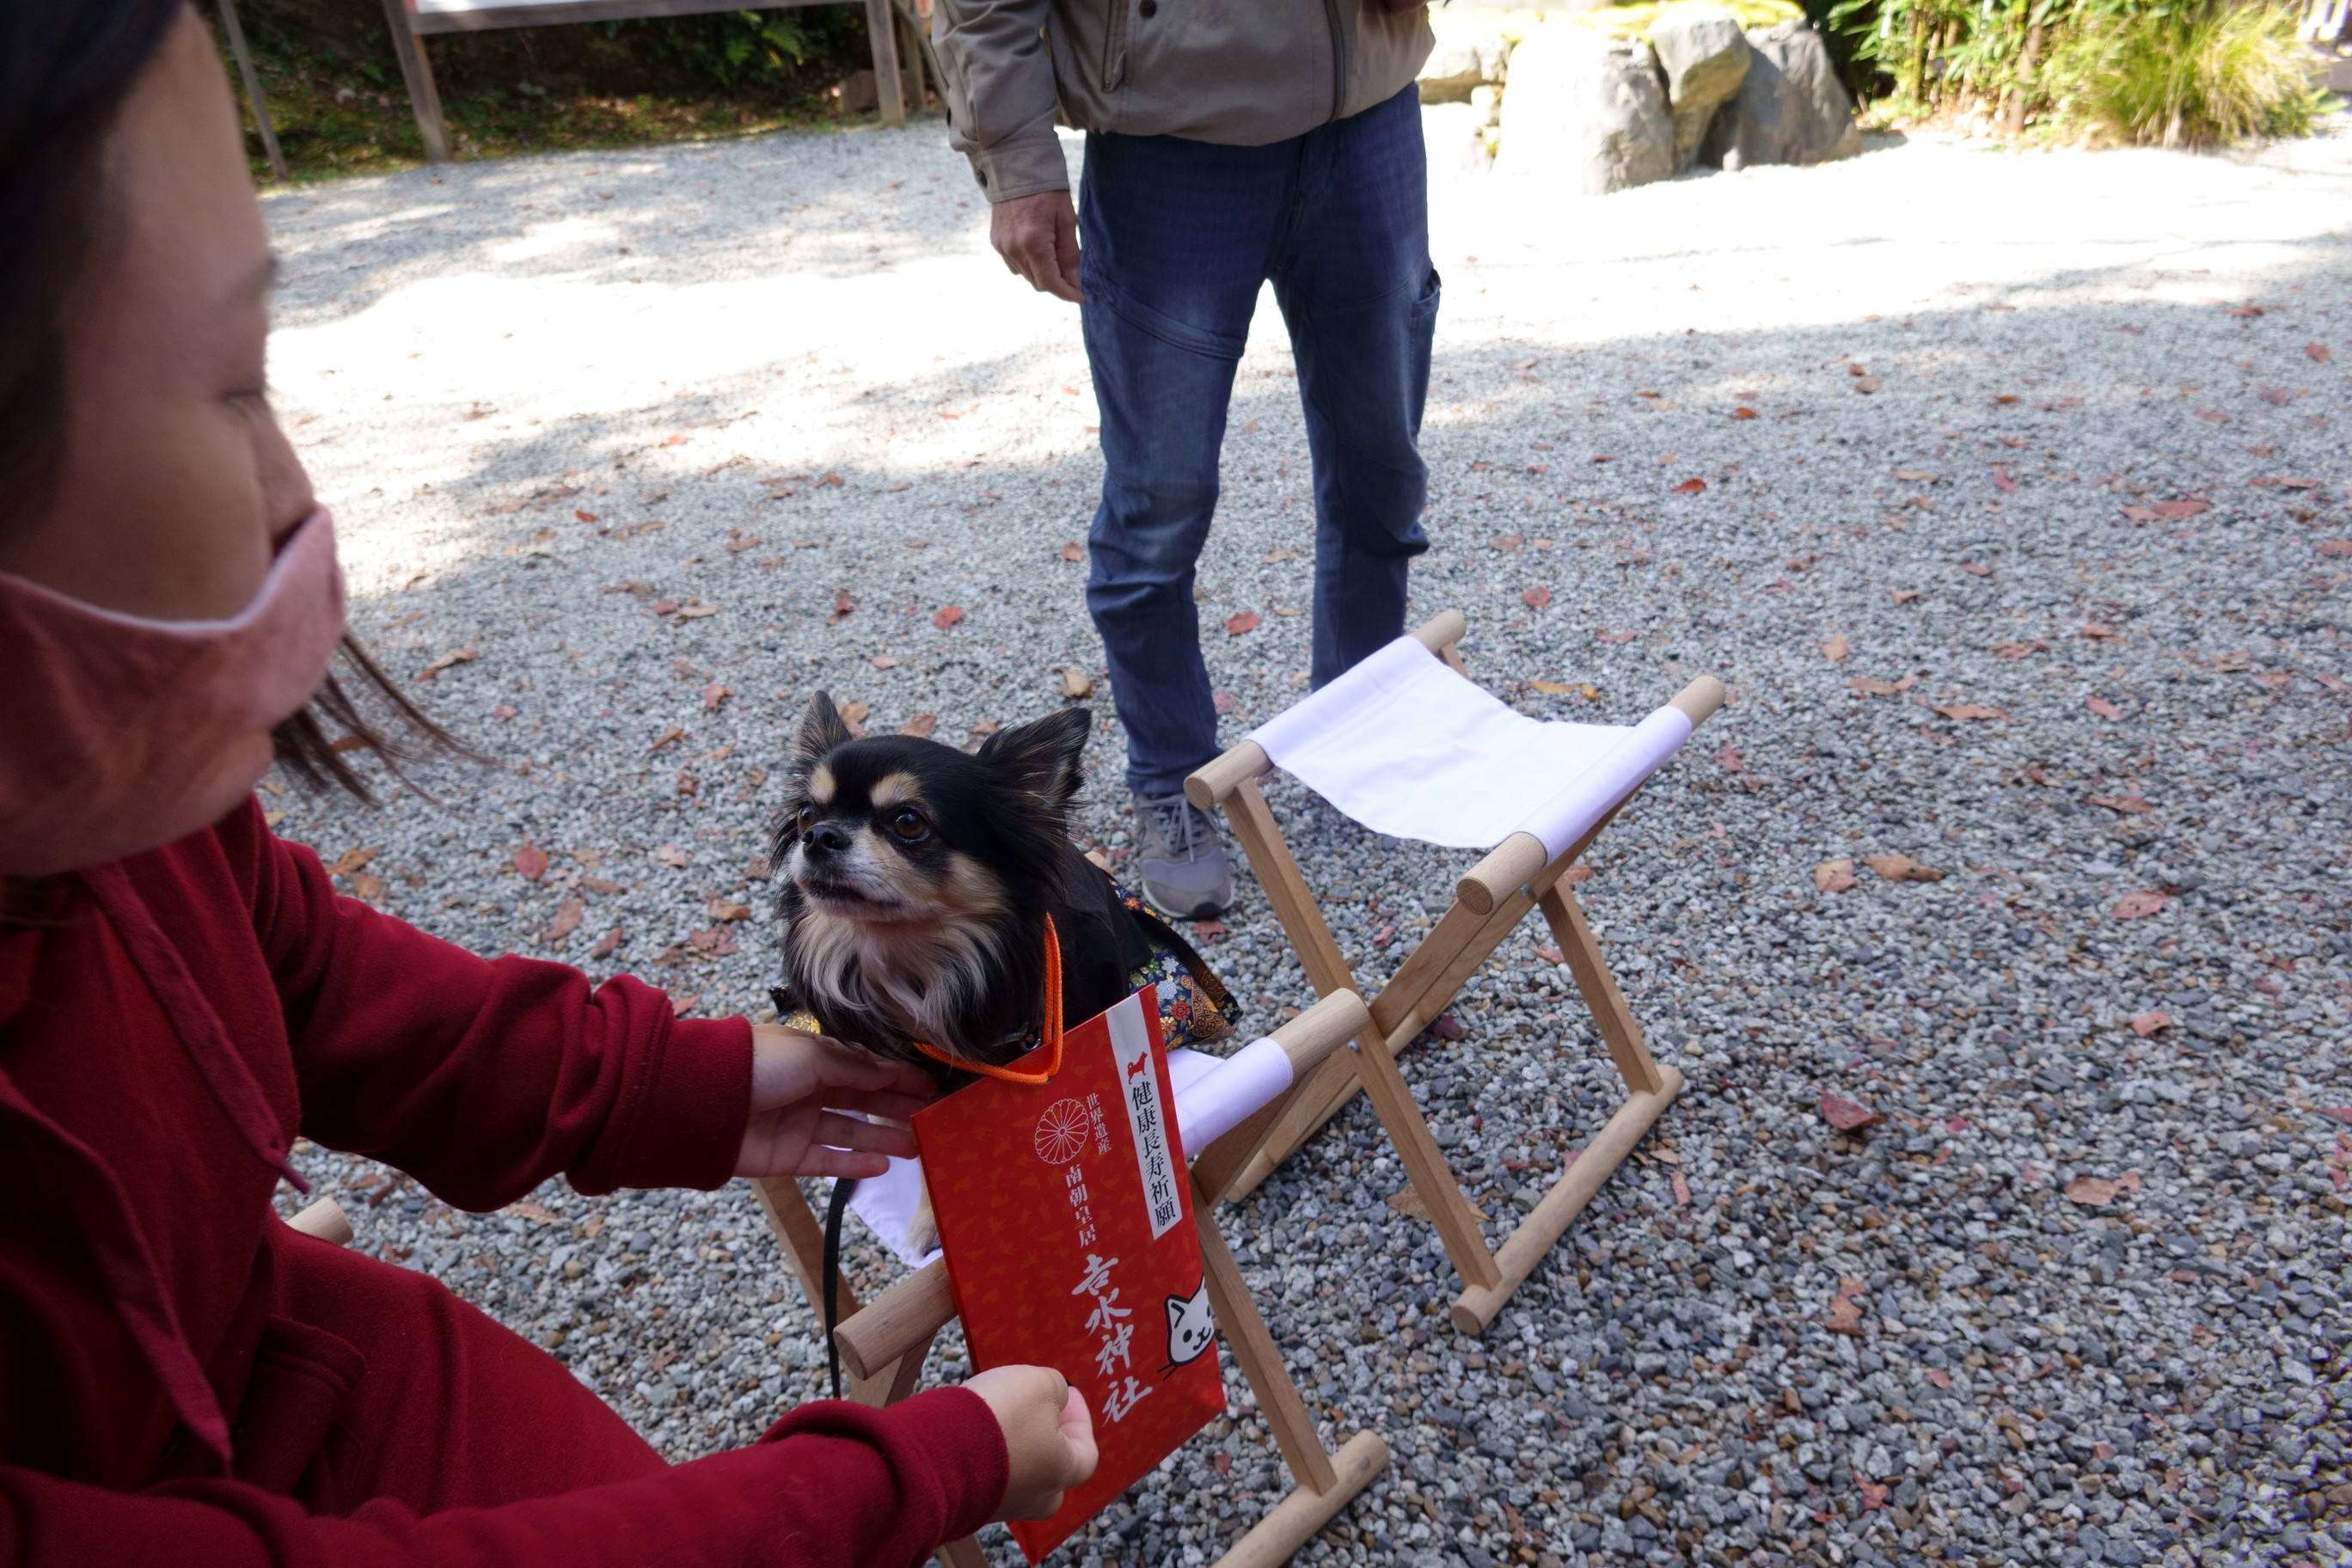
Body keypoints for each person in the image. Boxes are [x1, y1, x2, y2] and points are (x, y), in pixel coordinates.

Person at [0, 5, 1095, 1564]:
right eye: (234, 380)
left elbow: (299, 970)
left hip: (273, 1365)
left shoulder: (109, 809)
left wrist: (700, 1081)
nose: (302, 492)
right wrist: (909, 1472)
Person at [933, 0, 1442, 918]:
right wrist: (1016, 161)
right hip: (1170, 149)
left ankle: (1360, 738)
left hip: (1370, 116)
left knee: (1383, 477)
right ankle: (1173, 782)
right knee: (1159, 506)